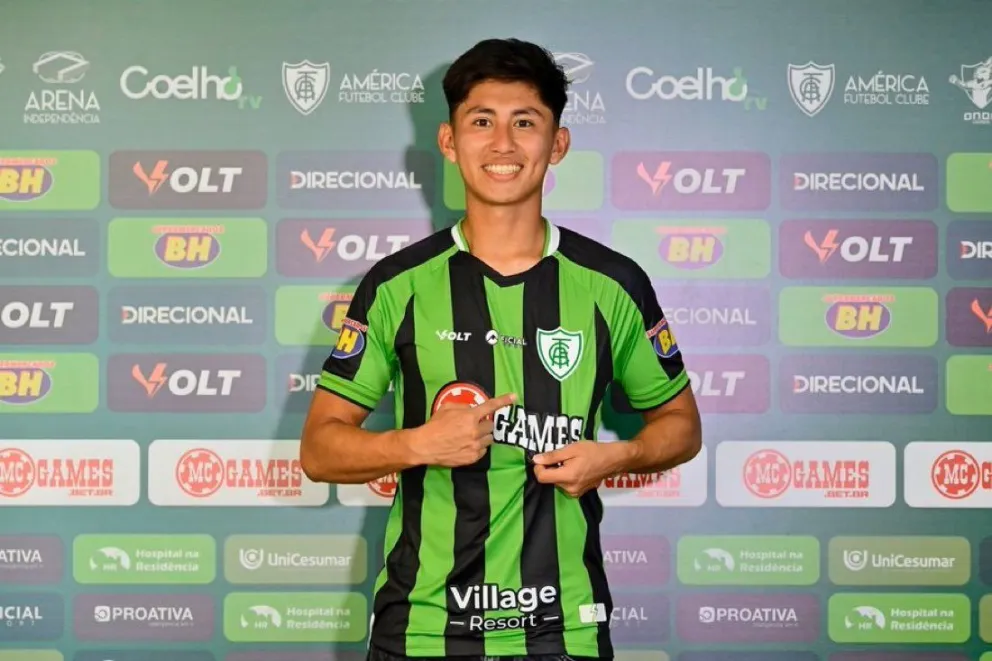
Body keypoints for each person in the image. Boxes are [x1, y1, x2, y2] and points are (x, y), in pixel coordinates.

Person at [300, 37, 702, 661]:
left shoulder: (612, 284)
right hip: (423, 630)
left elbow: (681, 427)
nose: (504, 144)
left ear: (558, 144)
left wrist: (618, 455)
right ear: (449, 141)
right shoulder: (396, 284)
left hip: (562, 629)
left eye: (526, 123)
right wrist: (416, 444)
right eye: (481, 121)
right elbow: (320, 449)